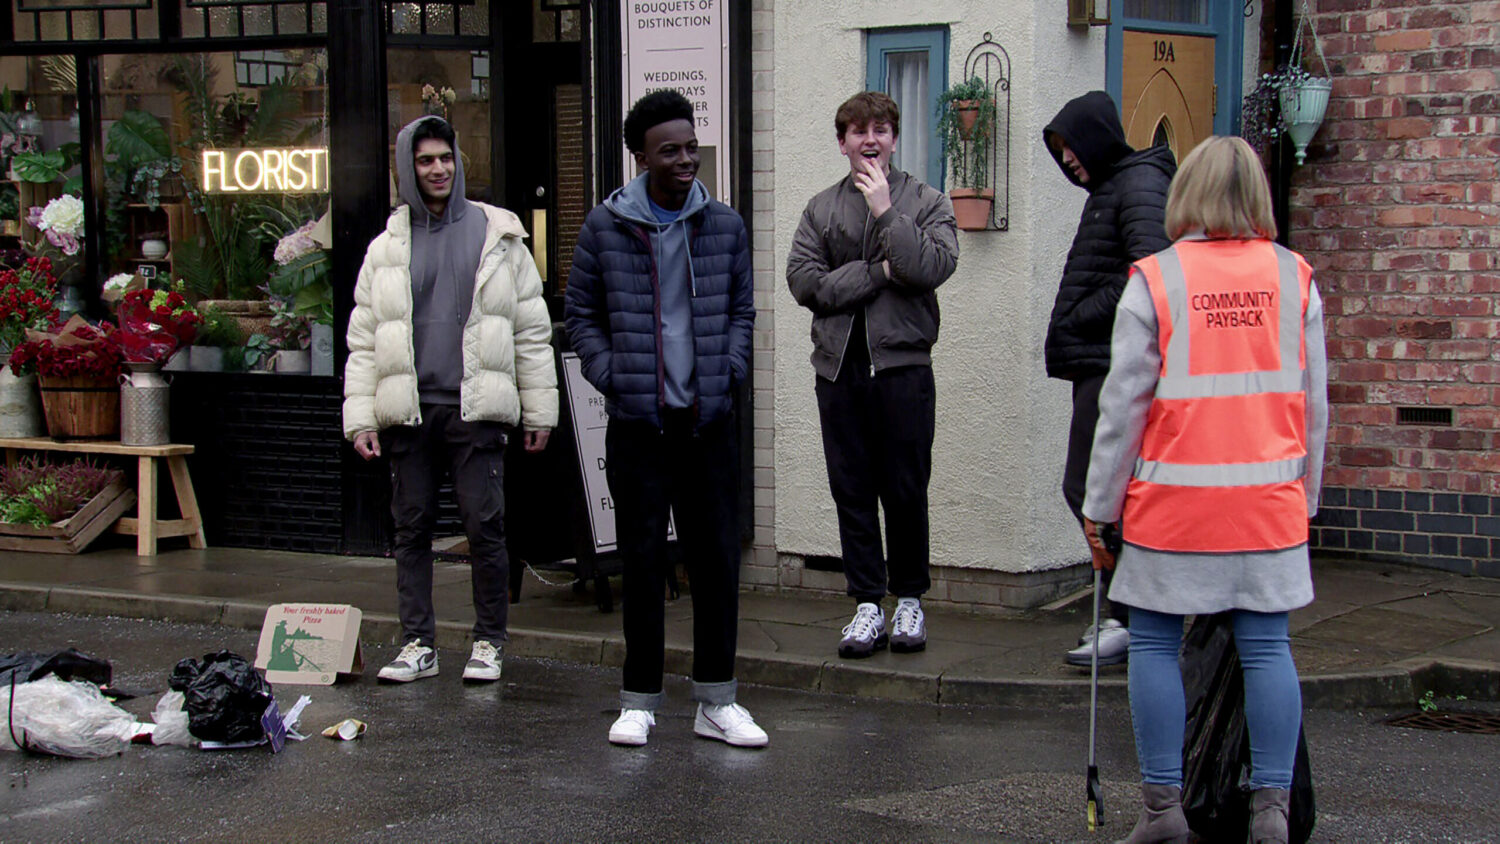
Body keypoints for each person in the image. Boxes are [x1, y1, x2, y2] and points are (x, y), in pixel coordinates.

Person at [1080, 136, 1328, 844]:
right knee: (1267, 649)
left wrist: (1100, 507)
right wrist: (1304, 500)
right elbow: (1314, 404)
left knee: (1154, 645)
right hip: (1267, 503)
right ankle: (1271, 813)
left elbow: (1123, 407)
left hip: (1175, 506)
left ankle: (1164, 812)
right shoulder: (1295, 278)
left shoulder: (1157, 279)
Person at [565, 90, 763, 749]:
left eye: (691, 146)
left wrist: (730, 369)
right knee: (643, 563)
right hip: (639, 428)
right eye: (669, 150)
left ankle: (717, 701)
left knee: (715, 565)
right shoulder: (604, 227)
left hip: (708, 426)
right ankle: (639, 700)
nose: (686, 159)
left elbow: (742, 311)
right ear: (642, 157)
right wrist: (612, 374)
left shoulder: (727, 227)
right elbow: (579, 319)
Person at [344, 115, 558, 685]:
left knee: (485, 529)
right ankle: (418, 643)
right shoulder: (386, 246)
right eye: (424, 161)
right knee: (409, 531)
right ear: (407, 170)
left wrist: (539, 411)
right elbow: (364, 338)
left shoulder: (498, 233)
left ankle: (489, 642)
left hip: (476, 407)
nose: (437, 169)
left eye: (445, 158)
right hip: (409, 410)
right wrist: (360, 416)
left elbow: (531, 330)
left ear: (458, 161)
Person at [786, 91, 958, 659]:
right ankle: (866, 603)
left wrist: (887, 212)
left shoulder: (927, 201)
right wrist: (880, 270)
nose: (870, 140)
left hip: (903, 367)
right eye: (858, 131)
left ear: (894, 137)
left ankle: (909, 599)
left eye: (880, 130)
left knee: (906, 489)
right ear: (842, 143)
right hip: (839, 370)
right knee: (851, 488)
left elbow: (931, 266)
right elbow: (807, 285)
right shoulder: (820, 208)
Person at [1042, 91, 1175, 667]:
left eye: (1071, 145)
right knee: (1095, 491)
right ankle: (1125, 612)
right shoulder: (1113, 187)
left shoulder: (1138, 183)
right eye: (1059, 150)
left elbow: (1150, 274)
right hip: (1099, 359)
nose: (1067, 159)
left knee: (1093, 490)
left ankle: (1129, 615)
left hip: (1114, 362)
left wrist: (1085, 312)